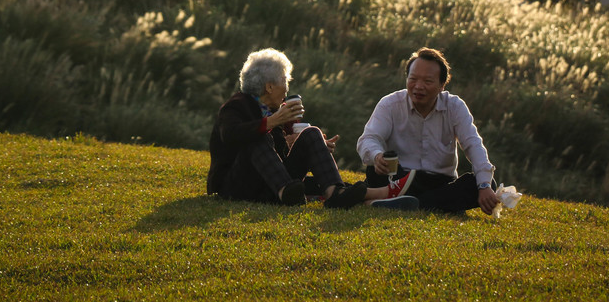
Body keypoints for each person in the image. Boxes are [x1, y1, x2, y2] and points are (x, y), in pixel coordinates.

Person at [208, 48, 417, 209]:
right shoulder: (236, 105)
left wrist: (315, 147)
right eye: (284, 80)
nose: (287, 86)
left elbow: (274, 158)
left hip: (269, 182)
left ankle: (335, 192)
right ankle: (285, 192)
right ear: (269, 86)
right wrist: (271, 124)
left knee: (311, 134)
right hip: (236, 185)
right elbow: (230, 135)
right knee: (257, 137)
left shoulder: (273, 110)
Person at [357, 47, 501, 215]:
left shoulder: (454, 107)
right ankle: (434, 204)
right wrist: (377, 155)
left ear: (442, 85)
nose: (418, 86)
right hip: (398, 177)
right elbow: (368, 139)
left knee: (487, 184)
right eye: (413, 79)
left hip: (439, 181)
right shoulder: (390, 104)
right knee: (375, 171)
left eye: (427, 81)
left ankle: (401, 202)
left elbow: (473, 144)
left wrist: (483, 185)